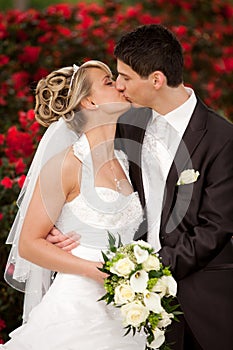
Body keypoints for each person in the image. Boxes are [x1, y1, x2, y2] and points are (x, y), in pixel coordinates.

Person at [1, 60, 146, 349]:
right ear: (89, 101)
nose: (119, 84)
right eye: (108, 81)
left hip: (127, 309)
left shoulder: (125, 162)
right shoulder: (66, 164)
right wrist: (94, 270)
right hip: (77, 309)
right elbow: (29, 243)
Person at [113, 24, 233, 350]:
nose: (118, 85)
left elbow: (216, 226)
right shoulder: (128, 126)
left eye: (125, 77)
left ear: (156, 79)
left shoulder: (222, 138)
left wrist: (153, 269)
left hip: (201, 303)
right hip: (134, 305)